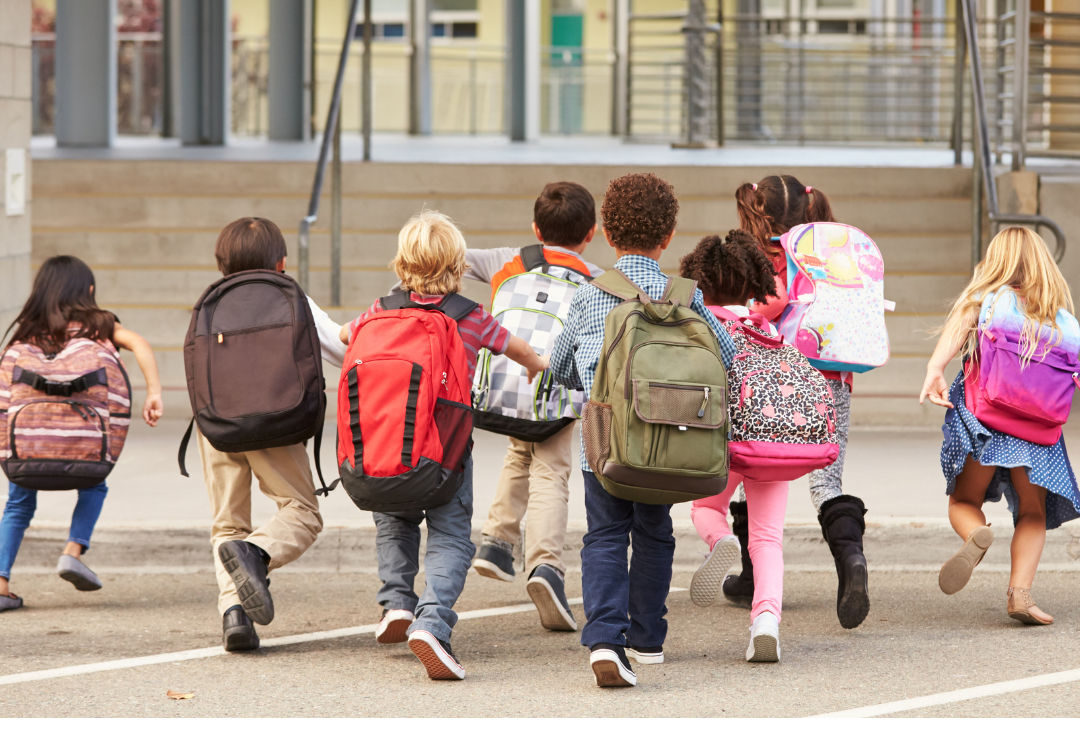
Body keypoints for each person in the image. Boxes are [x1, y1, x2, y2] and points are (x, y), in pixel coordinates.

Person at [341, 210, 549, 680]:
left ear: (401, 263)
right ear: (457, 266)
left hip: (386, 451)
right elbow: (515, 347)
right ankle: (432, 622)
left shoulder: (380, 310)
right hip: (445, 457)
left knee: (394, 522)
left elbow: (343, 335)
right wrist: (537, 363)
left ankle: (396, 602)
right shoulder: (469, 317)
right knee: (451, 534)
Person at [550, 173, 737, 688]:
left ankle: (606, 640)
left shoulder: (592, 296)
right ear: (668, 236)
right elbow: (730, 358)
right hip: (669, 442)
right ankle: (648, 639)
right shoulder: (686, 297)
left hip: (606, 445)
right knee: (654, 533)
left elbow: (561, 365)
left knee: (605, 535)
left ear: (607, 233)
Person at [197, 217, 346, 651]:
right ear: (281, 261)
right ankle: (257, 554)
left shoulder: (212, 301)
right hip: (275, 423)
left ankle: (234, 615)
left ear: (221, 262)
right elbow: (341, 350)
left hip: (216, 424)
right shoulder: (289, 296)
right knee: (301, 511)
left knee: (227, 524)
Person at [729, 174, 871, 630]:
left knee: (757, 467)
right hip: (830, 380)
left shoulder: (757, 259)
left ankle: (754, 576)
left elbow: (763, 307)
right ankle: (851, 559)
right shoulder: (830, 255)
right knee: (827, 484)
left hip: (773, 381)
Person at [920, 226, 1080, 625]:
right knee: (1032, 512)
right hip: (1039, 434)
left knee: (964, 502)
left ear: (996, 261)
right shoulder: (1061, 319)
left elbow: (958, 328)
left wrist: (935, 368)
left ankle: (976, 534)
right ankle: (1020, 595)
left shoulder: (985, 300)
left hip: (985, 422)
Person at [467, 181, 603, 633]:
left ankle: (497, 541)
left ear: (534, 228)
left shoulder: (507, 260)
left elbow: (452, 256)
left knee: (518, 450)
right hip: (555, 388)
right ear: (591, 233)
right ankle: (546, 567)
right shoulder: (596, 279)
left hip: (503, 385)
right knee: (551, 472)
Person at [0, 256, 163, 612]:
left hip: (30, 444)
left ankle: (0, 583)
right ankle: (73, 551)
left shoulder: (27, 331)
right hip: (83, 444)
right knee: (94, 485)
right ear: (88, 290)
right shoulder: (99, 325)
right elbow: (139, 343)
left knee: (18, 504)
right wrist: (154, 392)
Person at [679, 230, 789, 662]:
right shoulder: (768, 329)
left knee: (706, 508)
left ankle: (720, 539)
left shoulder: (702, 322)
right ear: (753, 284)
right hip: (769, 443)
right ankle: (766, 621)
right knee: (767, 538)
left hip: (718, 443)